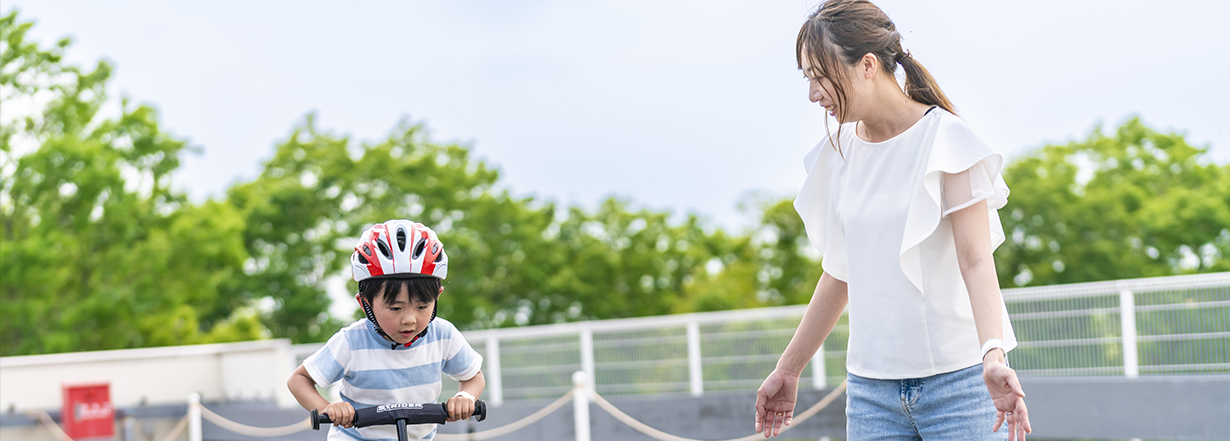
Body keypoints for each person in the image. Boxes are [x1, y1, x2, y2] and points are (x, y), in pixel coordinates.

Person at [754, 1, 1032, 440]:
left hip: (962, 384)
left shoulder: (947, 140)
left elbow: (976, 260)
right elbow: (840, 271)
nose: (813, 94)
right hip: (871, 396)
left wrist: (993, 355)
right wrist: (788, 369)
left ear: (867, 65)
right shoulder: (837, 153)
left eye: (820, 77)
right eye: (807, 78)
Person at [288, 220, 485, 441]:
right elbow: (298, 379)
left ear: (437, 297)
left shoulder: (443, 335)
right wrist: (327, 408)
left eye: (422, 306)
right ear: (365, 303)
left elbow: (474, 377)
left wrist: (465, 397)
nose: (409, 319)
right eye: (395, 308)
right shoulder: (352, 342)